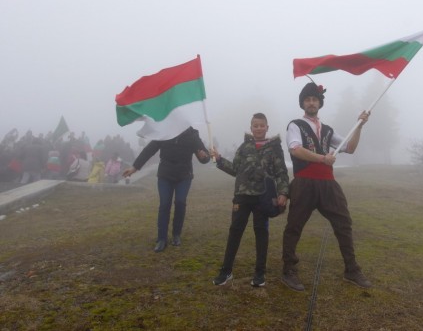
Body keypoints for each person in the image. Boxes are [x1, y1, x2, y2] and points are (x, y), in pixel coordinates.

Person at [281, 82, 372, 291]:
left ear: (319, 103)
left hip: (328, 184)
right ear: (303, 103)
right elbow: (295, 149)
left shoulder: (328, 130)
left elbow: (349, 148)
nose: (311, 102)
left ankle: (351, 269)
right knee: (294, 226)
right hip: (304, 182)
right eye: (307, 99)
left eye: (314, 99)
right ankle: (288, 269)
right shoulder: (295, 125)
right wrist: (322, 158)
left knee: (343, 222)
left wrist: (359, 126)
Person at [210, 113, 289, 287]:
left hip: (264, 198)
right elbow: (235, 169)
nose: (259, 128)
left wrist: (283, 193)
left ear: (267, 127)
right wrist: (219, 159)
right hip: (242, 196)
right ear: (251, 128)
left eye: (262, 125)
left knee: (261, 233)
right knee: (235, 232)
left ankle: (260, 274)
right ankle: (226, 272)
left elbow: (281, 172)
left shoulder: (274, 148)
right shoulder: (244, 147)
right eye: (255, 125)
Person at [122, 127, 210, 253]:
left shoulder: (192, 135)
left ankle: (176, 235)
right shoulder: (164, 131)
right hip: (165, 175)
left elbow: (204, 157)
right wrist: (134, 168)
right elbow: (149, 150)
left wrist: (204, 156)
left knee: (180, 202)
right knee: (164, 204)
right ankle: (161, 239)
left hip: (184, 175)